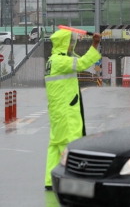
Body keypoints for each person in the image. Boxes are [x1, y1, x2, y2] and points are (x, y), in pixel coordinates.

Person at [44, 29, 101, 190]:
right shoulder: (61, 62)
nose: (72, 45)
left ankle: (50, 180)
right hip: (66, 112)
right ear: (63, 43)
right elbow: (83, 63)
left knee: (55, 146)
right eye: (70, 42)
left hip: (58, 111)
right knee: (70, 145)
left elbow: (79, 60)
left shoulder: (53, 61)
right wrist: (95, 44)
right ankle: (75, 179)